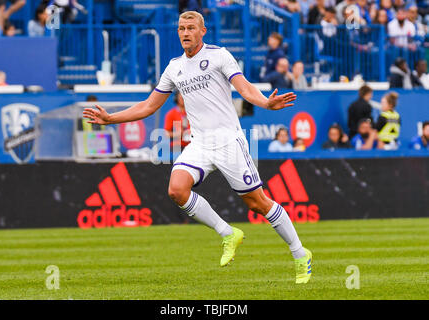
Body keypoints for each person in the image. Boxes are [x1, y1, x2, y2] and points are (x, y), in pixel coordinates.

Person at [83, 11, 313, 284]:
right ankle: (227, 233)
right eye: (181, 28)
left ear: (203, 31)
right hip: (200, 143)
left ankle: (300, 253)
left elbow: (245, 88)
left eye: (191, 27)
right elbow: (148, 106)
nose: (185, 32)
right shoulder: (174, 67)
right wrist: (111, 118)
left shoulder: (219, 55)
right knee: (176, 190)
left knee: (257, 203)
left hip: (229, 141)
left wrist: (265, 102)